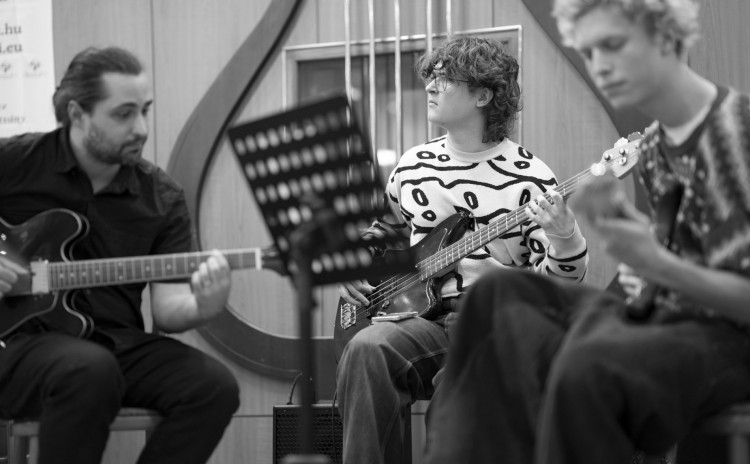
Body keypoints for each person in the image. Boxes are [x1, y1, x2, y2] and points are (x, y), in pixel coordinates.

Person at [423, 1, 750, 463]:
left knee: (582, 364)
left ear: (665, 39)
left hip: (723, 340)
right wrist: (626, 229)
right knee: (495, 295)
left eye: (612, 46)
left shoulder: (732, 131)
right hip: (662, 316)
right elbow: (685, 252)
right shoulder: (655, 146)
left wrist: (655, 263)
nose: (601, 67)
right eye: (590, 52)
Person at [335, 35, 590, 464]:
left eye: (445, 79)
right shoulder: (413, 166)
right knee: (367, 349)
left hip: (493, 327)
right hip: (419, 318)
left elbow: (560, 288)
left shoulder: (531, 177)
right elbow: (384, 234)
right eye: (430, 78)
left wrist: (566, 238)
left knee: (456, 393)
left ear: (482, 95)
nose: (430, 87)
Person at [0, 46, 240, 464]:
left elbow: (167, 310)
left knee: (213, 387)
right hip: (16, 346)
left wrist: (204, 305)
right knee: (89, 369)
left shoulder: (161, 197)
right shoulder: (15, 162)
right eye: (124, 114)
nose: (141, 128)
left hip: (114, 345)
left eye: (145, 111)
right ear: (77, 114)